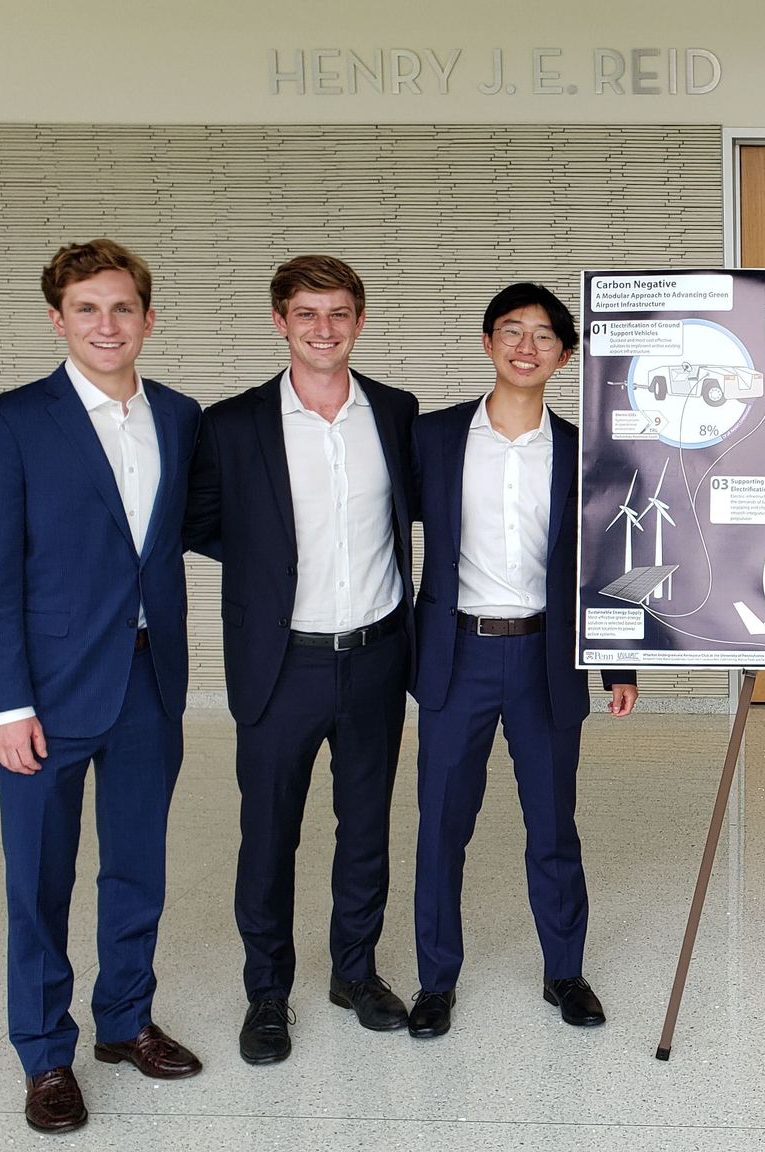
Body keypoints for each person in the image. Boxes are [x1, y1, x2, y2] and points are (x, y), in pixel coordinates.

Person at [0, 240, 203, 1133]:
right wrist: (5, 703)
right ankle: (44, 1053)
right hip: (47, 693)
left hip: (147, 680)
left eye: (123, 307)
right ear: (58, 318)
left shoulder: (178, 416)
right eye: (88, 309)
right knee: (40, 880)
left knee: (137, 866)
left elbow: (198, 528)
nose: (108, 324)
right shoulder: (13, 421)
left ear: (148, 317)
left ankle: (126, 1020)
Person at [185, 256, 420, 1064]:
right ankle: (267, 992)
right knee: (269, 833)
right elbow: (202, 521)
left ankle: (354, 971)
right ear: (280, 322)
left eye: (340, 313)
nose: (325, 328)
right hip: (281, 661)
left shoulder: (394, 410)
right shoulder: (233, 424)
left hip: (378, 655)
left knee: (365, 829)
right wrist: (267, 565)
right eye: (308, 314)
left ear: (359, 322)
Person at [405, 283, 638, 1038]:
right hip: (456, 654)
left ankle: (564, 973)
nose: (526, 345)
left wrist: (618, 665)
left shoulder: (585, 452)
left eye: (543, 335)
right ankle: (435, 981)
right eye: (511, 330)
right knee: (441, 826)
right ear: (487, 342)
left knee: (553, 826)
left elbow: (608, 558)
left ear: (565, 356)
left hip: (546, 658)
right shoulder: (433, 438)